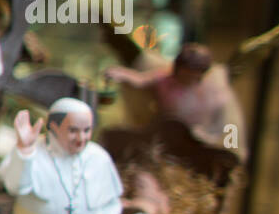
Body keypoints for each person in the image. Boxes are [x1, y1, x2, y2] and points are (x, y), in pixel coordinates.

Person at [105, 43, 247, 154]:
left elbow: (224, 123)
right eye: (185, 72)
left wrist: (218, 140)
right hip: (166, 132)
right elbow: (141, 80)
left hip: (199, 137)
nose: (188, 77)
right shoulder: (164, 79)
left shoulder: (212, 92)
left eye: (193, 74)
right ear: (177, 69)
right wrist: (121, 74)